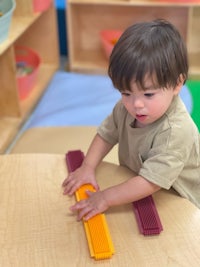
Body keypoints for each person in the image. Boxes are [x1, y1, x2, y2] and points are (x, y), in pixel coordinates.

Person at [62, 19, 200, 221]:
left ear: (177, 84)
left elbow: (151, 182)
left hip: (181, 199)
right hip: (143, 183)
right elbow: (106, 134)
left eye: (148, 95)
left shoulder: (175, 131)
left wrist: (105, 198)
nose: (136, 104)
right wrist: (87, 167)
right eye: (126, 93)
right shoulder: (126, 108)